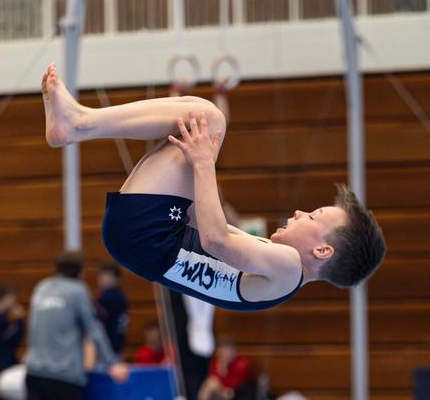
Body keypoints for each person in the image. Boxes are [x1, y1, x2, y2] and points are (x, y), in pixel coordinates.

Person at [41, 63, 386, 312]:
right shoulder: (279, 273)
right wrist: (197, 162)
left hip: (149, 237)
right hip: (146, 241)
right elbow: (204, 226)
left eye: (312, 217)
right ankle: (77, 123)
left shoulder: (289, 266)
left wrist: (204, 163)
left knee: (209, 120)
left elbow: (215, 239)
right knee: (204, 126)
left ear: (323, 251)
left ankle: (79, 123)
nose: (299, 212)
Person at [25, 251, 128, 400]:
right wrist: (112, 362)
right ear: (81, 272)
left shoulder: (42, 287)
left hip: (35, 372)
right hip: (64, 376)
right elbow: (94, 329)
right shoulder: (77, 290)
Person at [199, 336, 255, 400]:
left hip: (235, 394)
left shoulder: (241, 365)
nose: (227, 354)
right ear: (219, 352)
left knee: (212, 384)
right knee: (210, 383)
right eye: (224, 351)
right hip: (218, 395)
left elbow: (233, 389)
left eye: (230, 351)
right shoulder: (214, 364)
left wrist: (220, 388)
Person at [95, 262, 129, 354]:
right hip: (115, 343)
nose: (105, 279)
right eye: (102, 276)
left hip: (109, 343)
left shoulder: (109, 297)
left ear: (117, 279)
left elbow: (98, 321)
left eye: (109, 276)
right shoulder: (119, 296)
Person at [0, 285, 25, 376]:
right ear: (3, 298)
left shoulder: (6, 315)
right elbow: (4, 338)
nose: (14, 301)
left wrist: (19, 321)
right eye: (11, 297)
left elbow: (18, 337)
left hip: (9, 356)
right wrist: (18, 321)